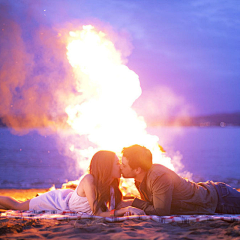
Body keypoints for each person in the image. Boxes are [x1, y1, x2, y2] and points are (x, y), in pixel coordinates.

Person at [0, 150, 144, 217]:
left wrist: (143, 203)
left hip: (69, 197)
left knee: (20, 203)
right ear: (106, 166)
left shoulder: (112, 183)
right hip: (57, 202)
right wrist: (126, 210)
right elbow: (98, 213)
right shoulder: (89, 180)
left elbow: (118, 204)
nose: (120, 166)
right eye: (117, 163)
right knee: (17, 205)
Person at [119, 144, 240, 216]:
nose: (120, 167)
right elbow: (152, 205)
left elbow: (161, 211)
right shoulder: (140, 179)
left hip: (220, 199)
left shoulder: (158, 177)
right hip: (214, 197)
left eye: (124, 165)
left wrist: (132, 203)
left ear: (137, 170)